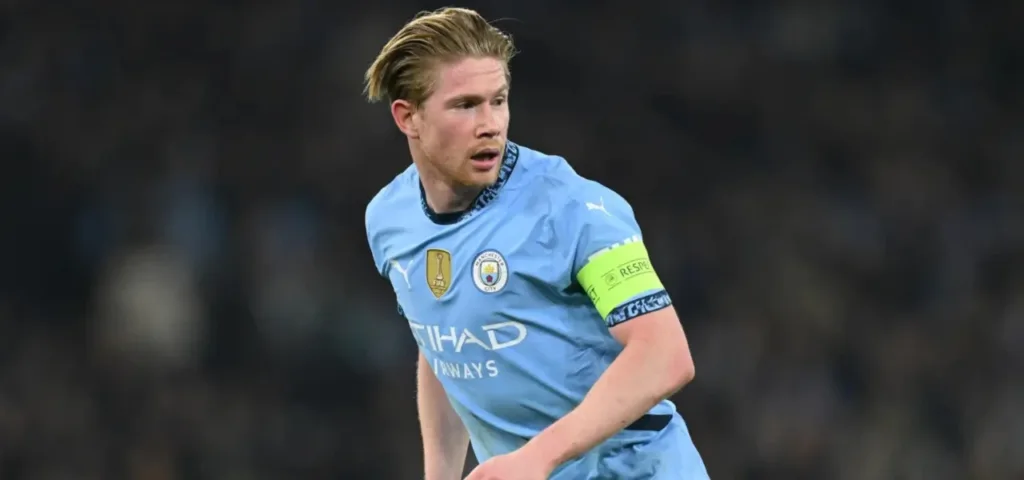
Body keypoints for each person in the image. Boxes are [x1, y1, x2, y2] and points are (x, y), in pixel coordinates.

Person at [363, 7, 709, 479]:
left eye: (498, 100)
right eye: (466, 105)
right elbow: (442, 345)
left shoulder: (572, 208)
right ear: (408, 117)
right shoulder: (390, 219)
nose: (491, 124)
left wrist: (537, 457)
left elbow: (665, 355)